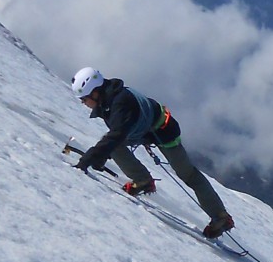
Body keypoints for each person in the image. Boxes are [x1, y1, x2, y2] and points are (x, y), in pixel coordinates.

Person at [71, 67, 235, 240]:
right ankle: (142, 180)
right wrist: (100, 155)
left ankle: (220, 217)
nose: (84, 103)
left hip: (163, 131)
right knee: (113, 145)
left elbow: (117, 135)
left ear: (95, 93)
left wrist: (91, 158)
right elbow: (116, 135)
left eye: (84, 99)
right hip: (143, 130)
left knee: (187, 173)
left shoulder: (119, 103)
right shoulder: (108, 100)